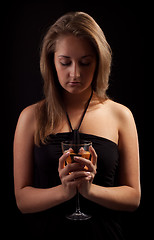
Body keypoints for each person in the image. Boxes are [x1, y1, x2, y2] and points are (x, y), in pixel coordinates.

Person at [13, 12, 141, 239]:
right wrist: (64, 192)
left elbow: (133, 198)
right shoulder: (30, 117)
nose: (75, 73)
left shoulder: (120, 115)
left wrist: (90, 190)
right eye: (65, 62)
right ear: (51, 61)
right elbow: (22, 200)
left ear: (99, 62)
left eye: (85, 63)